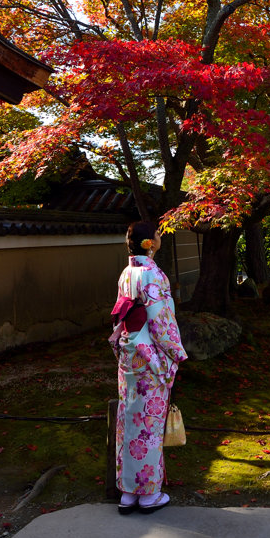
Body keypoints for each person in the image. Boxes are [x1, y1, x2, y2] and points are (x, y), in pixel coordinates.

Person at [110, 220, 188, 515]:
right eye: (157, 234)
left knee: (129, 422)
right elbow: (161, 320)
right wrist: (175, 353)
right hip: (150, 357)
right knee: (150, 427)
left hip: (130, 354)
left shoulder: (127, 273)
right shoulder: (153, 274)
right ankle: (149, 495)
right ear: (150, 243)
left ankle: (128, 493)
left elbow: (121, 316)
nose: (159, 237)